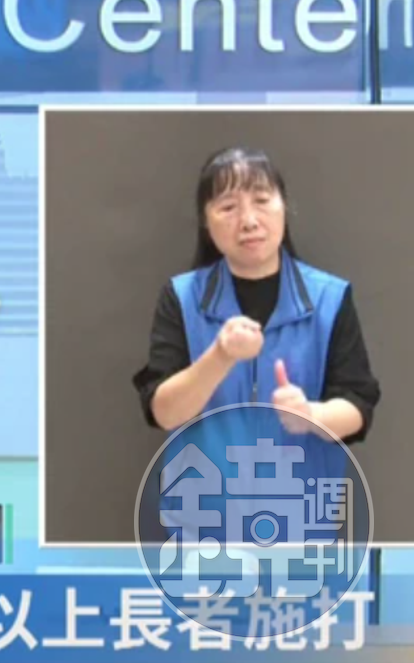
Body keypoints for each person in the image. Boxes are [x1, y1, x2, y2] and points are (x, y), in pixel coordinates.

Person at [131, 146, 380, 540]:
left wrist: (311, 415)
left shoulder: (329, 298)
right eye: (228, 207)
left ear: (284, 207)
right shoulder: (181, 297)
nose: (248, 220)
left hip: (303, 528)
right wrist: (220, 356)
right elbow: (164, 411)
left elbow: (358, 405)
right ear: (206, 221)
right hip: (202, 531)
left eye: (262, 201)